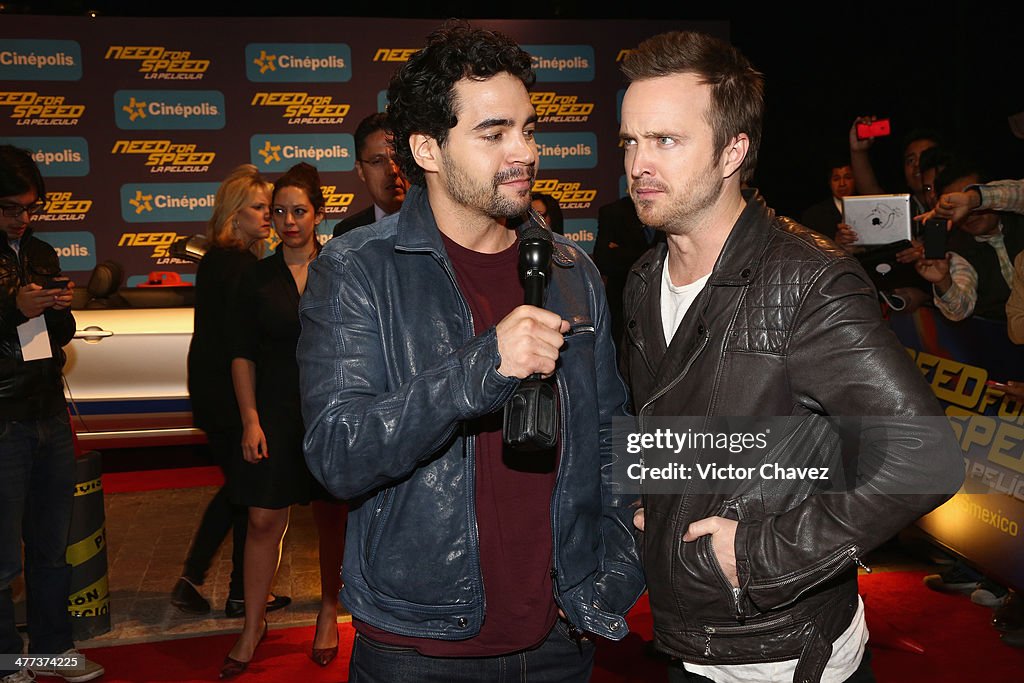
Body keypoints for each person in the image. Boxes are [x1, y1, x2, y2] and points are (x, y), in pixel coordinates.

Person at [297, 20, 644, 683]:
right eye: (494, 133)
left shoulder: (573, 269)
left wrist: (616, 573)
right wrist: (480, 370)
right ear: (427, 149)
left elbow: (611, 439)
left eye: (529, 129)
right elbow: (337, 455)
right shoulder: (357, 270)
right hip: (419, 649)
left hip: (561, 636)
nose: (524, 152)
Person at [616, 31, 963, 683]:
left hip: (783, 652)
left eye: (665, 140)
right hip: (683, 634)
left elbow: (924, 456)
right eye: (630, 141)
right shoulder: (642, 277)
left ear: (733, 150)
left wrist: (760, 555)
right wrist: (654, 497)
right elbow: (684, 420)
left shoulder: (808, 280)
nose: (639, 163)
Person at [219, 162, 347, 678]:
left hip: (328, 411)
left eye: (299, 211)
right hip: (271, 412)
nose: (289, 221)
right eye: (280, 211)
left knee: (331, 519)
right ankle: (253, 625)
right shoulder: (254, 275)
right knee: (261, 520)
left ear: (318, 214)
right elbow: (241, 353)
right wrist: (249, 419)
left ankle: (328, 612)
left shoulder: (340, 267)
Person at [0, 144, 104, 682]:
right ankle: (4, 663)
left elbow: (52, 338)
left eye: (31, 207)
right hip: (2, 418)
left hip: (46, 409)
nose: (23, 218)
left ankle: (51, 654)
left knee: (51, 547)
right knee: (1, 559)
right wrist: (11, 308)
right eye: (12, 208)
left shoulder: (40, 251)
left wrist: (59, 311)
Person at [172, 164, 292, 620]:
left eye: (271, 208)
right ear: (233, 213)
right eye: (260, 208)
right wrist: (251, 413)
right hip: (227, 395)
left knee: (242, 490)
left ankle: (228, 588)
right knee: (245, 490)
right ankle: (210, 583)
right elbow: (243, 342)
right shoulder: (240, 265)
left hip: (212, 390)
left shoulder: (220, 260)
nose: (269, 216)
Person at [909, 161, 1024, 323]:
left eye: (965, 204)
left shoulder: (1018, 216)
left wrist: (974, 199)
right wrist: (943, 280)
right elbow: (960, 309)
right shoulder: (957, 249)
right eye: (953, 207)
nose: (968, 214)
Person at [592, 194, 663, 355]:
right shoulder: (613, 212)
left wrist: (622, 252)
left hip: (662, 302)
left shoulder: (674, 207)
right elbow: (604, 261)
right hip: (622, 307)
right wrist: (650, 256)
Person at [332, 112, 409, 238]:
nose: (393, 170)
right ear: (361, 170)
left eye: (398, 159)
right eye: (377, 161)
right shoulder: (346, 233)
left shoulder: (438, 223)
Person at [848, 117, 943, 216]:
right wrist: (858, 151)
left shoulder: (956, 201)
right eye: (911, 160)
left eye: (925, 157)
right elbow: (871, 194)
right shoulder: (901, 210)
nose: (917, 164)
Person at [799, 156, 857, 241]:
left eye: (847, 177)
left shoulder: (869, 208)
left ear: (856, 180)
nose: (842, 184)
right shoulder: (814, 215)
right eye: (836, 179)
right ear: (829, 183)